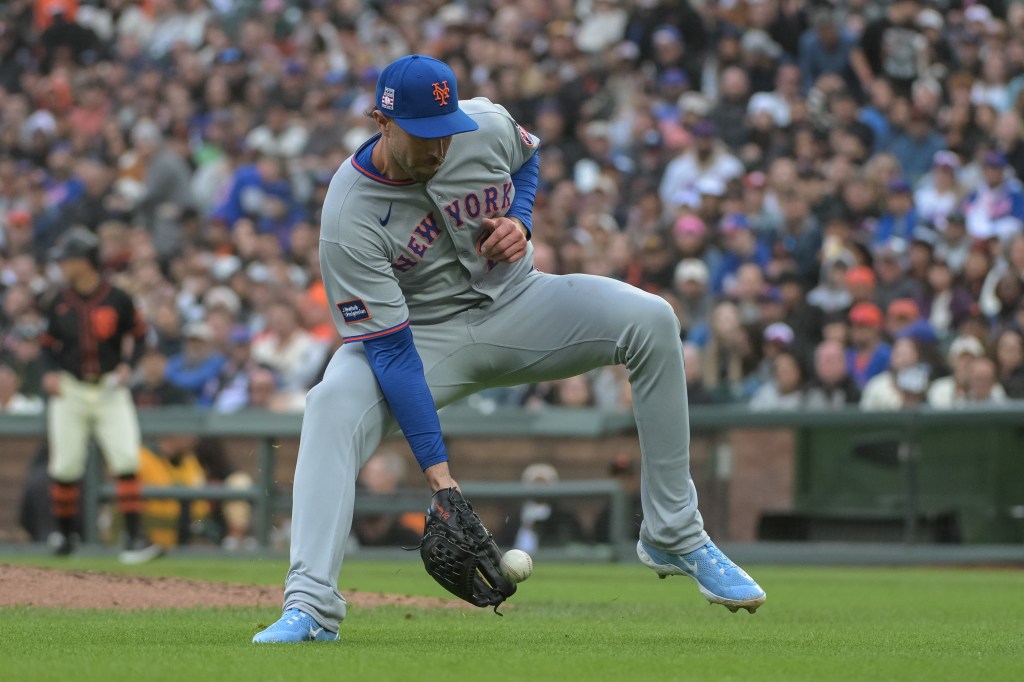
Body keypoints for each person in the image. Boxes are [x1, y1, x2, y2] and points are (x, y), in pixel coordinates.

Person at [253, 55, 765, 644]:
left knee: (652, 319)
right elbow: (392, 355)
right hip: (423, 336)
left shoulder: (483, 124)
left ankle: (675, 534)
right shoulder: (349, 214)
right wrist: (441, 479)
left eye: (445, 131)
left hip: (519, 304)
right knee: (332, 403)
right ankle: (311, 606)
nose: (439, 147)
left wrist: (521, 222)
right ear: (381, 122)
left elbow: (528, 157)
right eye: (423, 135)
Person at [39, 227, 162, 563]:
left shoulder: (118, 298)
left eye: (69, 259)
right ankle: (64, 536)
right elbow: (47, 347)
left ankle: (135, 539)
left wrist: (127, 364)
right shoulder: (59, 301)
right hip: (71, 388)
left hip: (109, 387)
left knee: (125, 458)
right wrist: (48, 373)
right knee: (65, 465)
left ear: (85, 261)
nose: (63, 266)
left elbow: (139, 335)